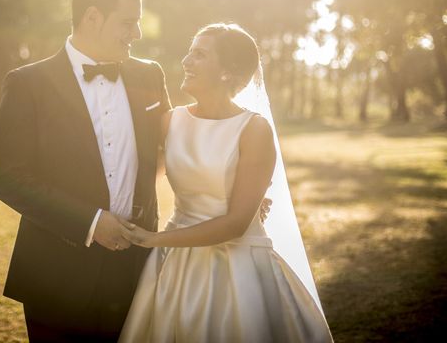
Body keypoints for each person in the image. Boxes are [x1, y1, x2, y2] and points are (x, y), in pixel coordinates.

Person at [119, 23, 333, 342]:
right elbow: (141, 179)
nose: (186, 61)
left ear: (227, 72)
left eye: (200, 55)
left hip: (238, 268)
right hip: (177, 267)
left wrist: (154, 240)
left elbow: (235, 225)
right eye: (190, 52)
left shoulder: (253, 130)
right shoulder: (171, 121)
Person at [0, 0, 171, 341]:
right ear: (92, 17)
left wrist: (235, 192)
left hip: (138, 267)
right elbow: (10, 179)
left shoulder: (149, 75)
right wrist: (91, 222)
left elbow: (178, 148)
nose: (136, 34)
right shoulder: (28, 84)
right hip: (57, 273)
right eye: (128, 22)